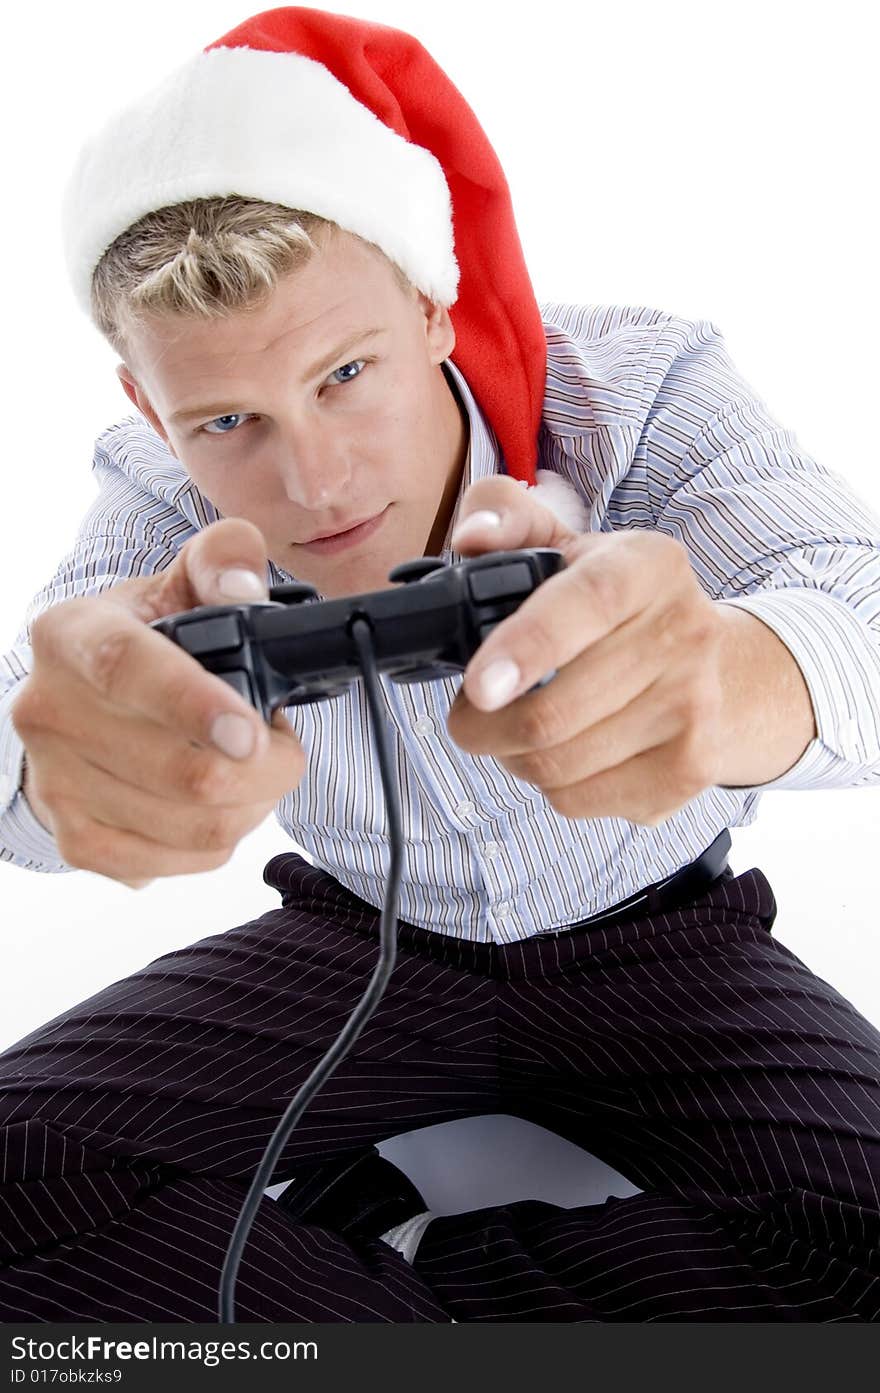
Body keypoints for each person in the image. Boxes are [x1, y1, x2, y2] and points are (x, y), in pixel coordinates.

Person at [0, 6, 879, 1323]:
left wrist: (728, 679)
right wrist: (54, 758)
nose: (314, 479)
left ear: (432, 307)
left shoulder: (638, 388)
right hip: (357, 952)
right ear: (146, 405)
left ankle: (395, 1307)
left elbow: (854, 602)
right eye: (227, 420)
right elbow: (41, 720)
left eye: (345, 372)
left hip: (668, 948)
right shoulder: (144, 493)